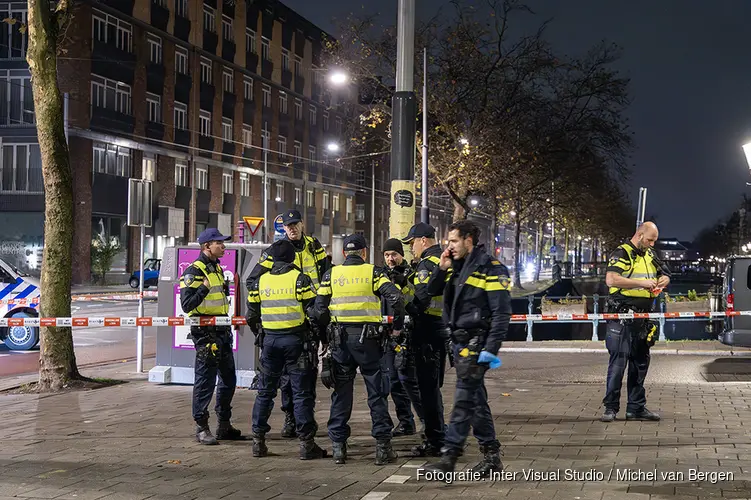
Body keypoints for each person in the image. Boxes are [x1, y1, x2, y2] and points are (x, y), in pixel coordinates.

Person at [421, 220, 510, 477]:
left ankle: (449, 457)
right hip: (458, 344)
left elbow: (501, 315)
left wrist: (490, 351)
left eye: (453, 241)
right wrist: (442, 268)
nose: (449, 246)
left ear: (468, 240)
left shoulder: (490, 269)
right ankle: (491, 455)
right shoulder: (456, 268)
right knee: (475, 401)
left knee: (463, 400)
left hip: (476, 344)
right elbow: (431, 290)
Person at [311, 233, 405, 465]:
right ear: (364, 253)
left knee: (341, 393)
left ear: (344, 253)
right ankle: (383, 448)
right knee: (377, 393)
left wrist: (326, 336)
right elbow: (396, 298)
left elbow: (319, 309)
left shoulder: (331, 274)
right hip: (370, 342)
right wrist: (396, 328)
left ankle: (339, 448)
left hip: (340, 342)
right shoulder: (373, 272)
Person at [248, 209, 330, 438]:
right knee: (286, 377)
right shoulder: (277, 251)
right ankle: (291, 418)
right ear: (283, 228)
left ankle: (306, 418)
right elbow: (252, 281)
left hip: (310, 320)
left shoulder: (314, 246)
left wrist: (321, 308)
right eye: (287, 226)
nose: (292, 228)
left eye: (295, 224)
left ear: (302, 224)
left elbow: (327, 275)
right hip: (286, 324)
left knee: (308, 373)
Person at [601, 221, 670, 423]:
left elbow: (665, 273)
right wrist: (642, 283)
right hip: (622, 317)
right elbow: (612, 279)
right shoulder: (622, 253)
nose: (652, 244)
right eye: (649, 240)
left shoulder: (649, 254)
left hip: (643, 318)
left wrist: (664, 280)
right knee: (618, 364)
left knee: (640, 363)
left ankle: (636, 408)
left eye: (654, 241)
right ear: (639, 235)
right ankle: (610, 408)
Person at [180, 228, 243, 445]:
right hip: (206, 335)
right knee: (205, 381)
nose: (224, 246)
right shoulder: (194, 271)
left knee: (228, 379)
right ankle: (201, 427)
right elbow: (187, 305)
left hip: (222, 332)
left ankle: (224, 425)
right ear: (207, 246)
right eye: (219, 243)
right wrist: (204, 289)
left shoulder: (216, 269)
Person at [401, 222, 448, 458]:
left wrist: (403, 305)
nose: (411, 249)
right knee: (433, 387)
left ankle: (435, 439)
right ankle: (439, 434)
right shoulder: (442, 260)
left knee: (428, 390)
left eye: (411, 243)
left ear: (423, 240)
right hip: (441, 328)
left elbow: (420, 300)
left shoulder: (427, 265)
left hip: (427, 330)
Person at [381, 238, 423, 437]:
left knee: (409, 380)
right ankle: (406, 421)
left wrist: (403, 284)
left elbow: (415, 300)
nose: (390, 259)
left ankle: (426, 421)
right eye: (387, 255)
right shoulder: (380, 275)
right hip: (387, 333)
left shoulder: (411, 274)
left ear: (401, 255)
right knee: (393, 380)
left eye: (394, 255)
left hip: (407, 332)